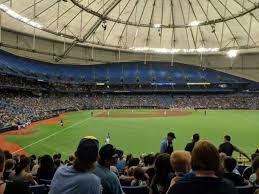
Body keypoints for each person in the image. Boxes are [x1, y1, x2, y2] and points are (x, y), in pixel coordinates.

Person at [167, 140, 237, 194]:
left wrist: (171, 187)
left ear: (193, 160)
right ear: (216, 160)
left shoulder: (178, 187)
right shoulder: (229, 188)